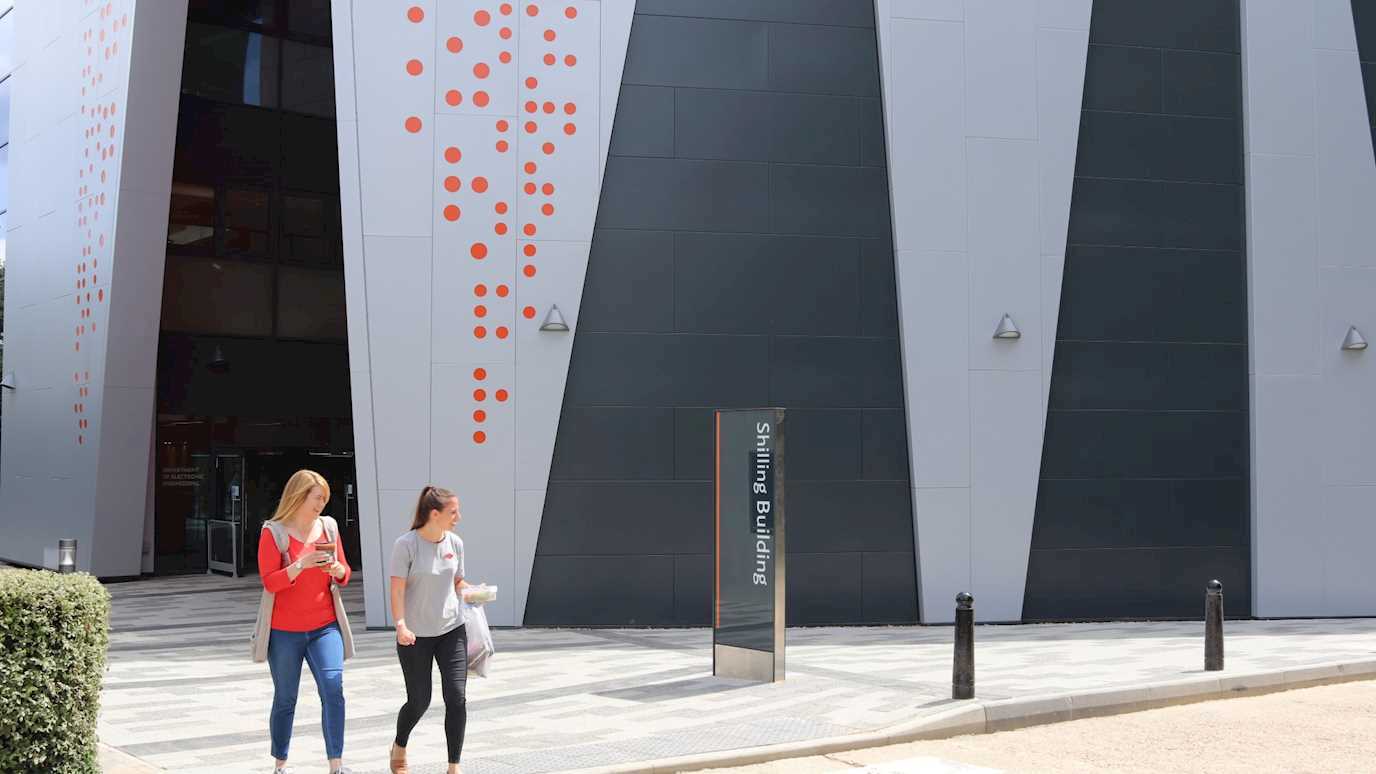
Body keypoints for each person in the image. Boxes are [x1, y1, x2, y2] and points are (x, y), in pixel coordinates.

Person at [258, 469, 353, 774]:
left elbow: (346, 573)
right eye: (317, 498)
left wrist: (337, 570)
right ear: (298, 496)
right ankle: (280, 764)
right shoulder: (274, 533)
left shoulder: (329, 528)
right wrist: (301, 564)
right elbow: (270, 582)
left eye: (325, 499)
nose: (321, 505)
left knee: (333, 690)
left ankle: (336, 766)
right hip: (284, 632)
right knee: (286, 697)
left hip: (325, 626)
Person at [388, 486, 471, 774]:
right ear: (434, 514)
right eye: (453, 512)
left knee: (456, 696)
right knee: (419, 701)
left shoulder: (456, 543)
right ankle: (399, 744)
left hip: (452, 630)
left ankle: (453, 767)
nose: (458, 517)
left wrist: (472, 591)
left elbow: (458, 581)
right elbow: (397, 590)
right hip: (415, 635)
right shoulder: (406, 544)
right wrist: (400, 624)